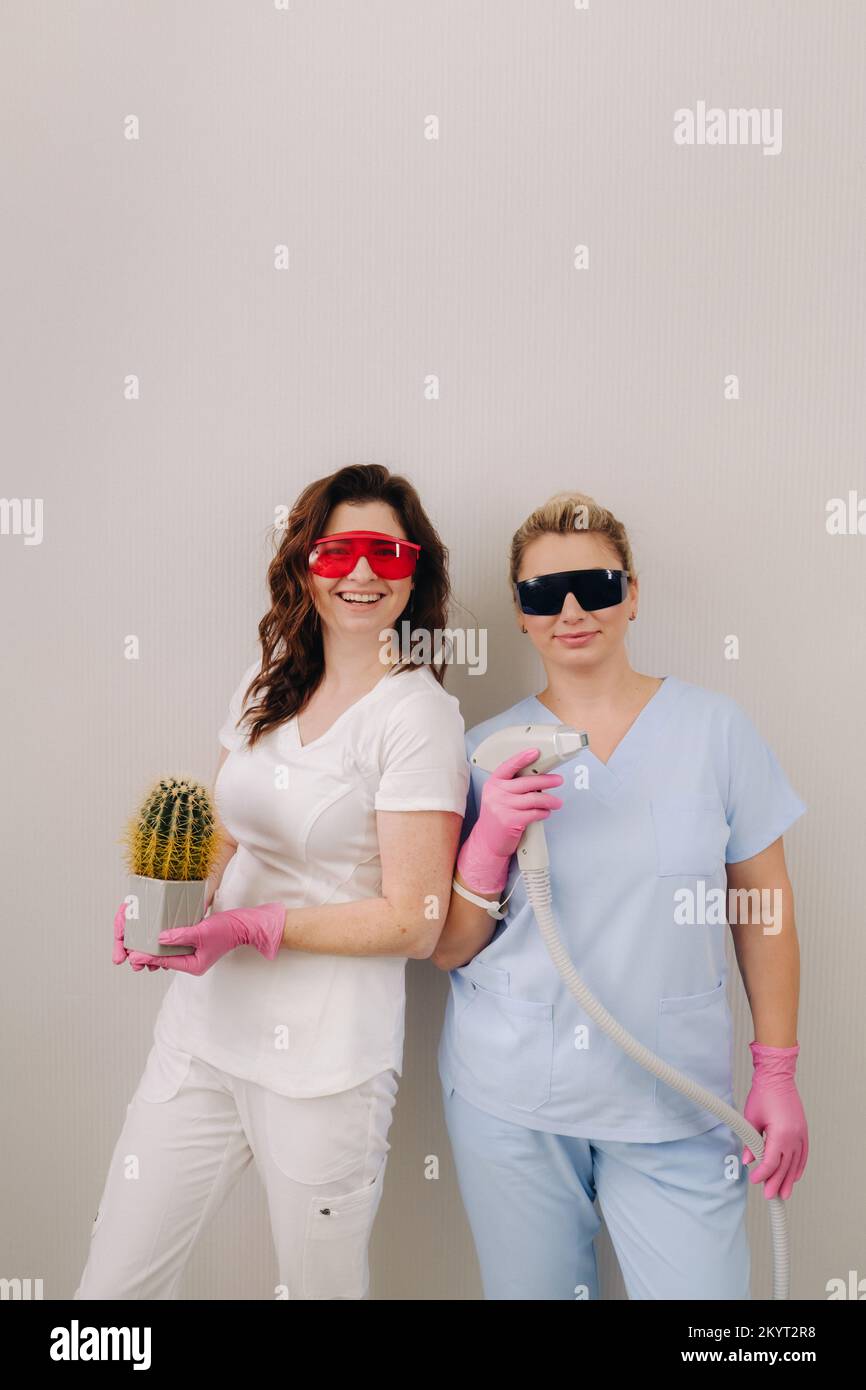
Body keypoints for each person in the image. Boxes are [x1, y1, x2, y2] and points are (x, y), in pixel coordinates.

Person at [75, 464, 469, 1300]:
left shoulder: (417, 716)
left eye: (387, 553)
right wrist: (173, 903)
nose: (362, 573)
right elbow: (223, 826)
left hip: (325, 1068)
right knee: (113, 1291)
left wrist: (257, 929)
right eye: (339, 550)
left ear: (414, 570)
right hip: (203, 1039)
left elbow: (417, 920)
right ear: (305, 563)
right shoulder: (270, 681)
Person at [434, 490, 809, 1300]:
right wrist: (487, 842)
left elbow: (765, 908)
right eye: (543, 594)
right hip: (515, 1099)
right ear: (523, 615)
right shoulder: (480, 753)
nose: (572, 609)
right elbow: (451, 945)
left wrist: (776, 1070)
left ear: (633, 594)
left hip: (674, 1100)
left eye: (597, 585)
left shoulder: (717, 732)